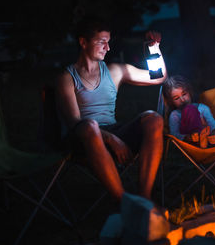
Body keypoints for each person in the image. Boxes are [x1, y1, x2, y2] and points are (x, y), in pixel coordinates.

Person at [56, 17, 167, 202]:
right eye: (101, 42)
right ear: (83, 42)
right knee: (90, 126)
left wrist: (153, 48)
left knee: (153, 118)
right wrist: (110, 138)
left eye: (108, 42)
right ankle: (123, 202)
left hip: (112, 129)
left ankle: (144, 200)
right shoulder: (67, 77)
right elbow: (75, 123)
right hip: (82, 140)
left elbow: (158, 77)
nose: (107, 48)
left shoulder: (115, 70)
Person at [162, 75, 215, 149]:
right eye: (176, 98)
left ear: (189, 92)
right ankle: (201, 142)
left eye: (184, 94)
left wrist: (214, 135)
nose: (182, 100)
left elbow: (214, 126)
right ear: (171, 102)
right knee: (190, 109)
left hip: (209, 141)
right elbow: (174, 135)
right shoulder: (175, 115)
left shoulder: (203, 108)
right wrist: (189, 137)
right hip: (192, 145)